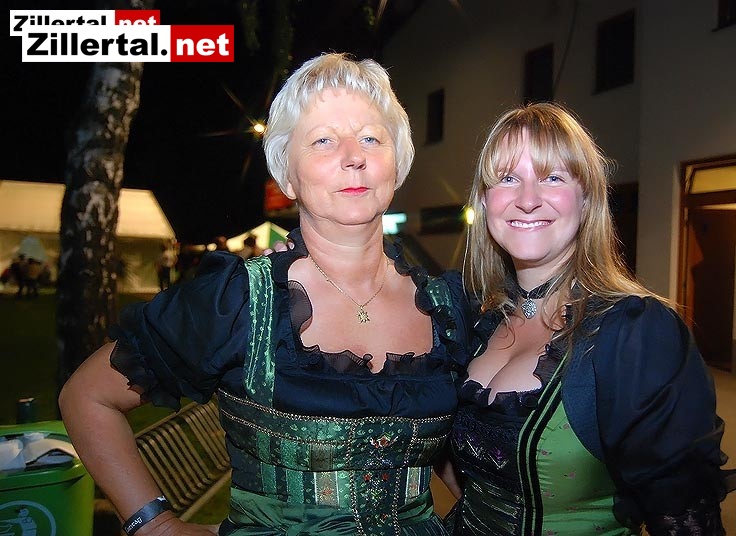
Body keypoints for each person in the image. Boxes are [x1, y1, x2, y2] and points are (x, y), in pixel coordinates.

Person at [59, 53, 473, 536]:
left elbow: (459, 457)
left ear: (397, 163)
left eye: (370, 138)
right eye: (323, 140)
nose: (353, 156)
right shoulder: (240, 302)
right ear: (286, 174)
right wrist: (155, 525)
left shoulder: (446, 309)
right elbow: (87, 397)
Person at [443, 103, 736, 535]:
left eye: (552, 177)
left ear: (586, 200)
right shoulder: (478, 319)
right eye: (507, 178)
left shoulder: (635, 332)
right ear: (485, 202)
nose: (527, 199)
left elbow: (685, 520)